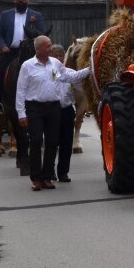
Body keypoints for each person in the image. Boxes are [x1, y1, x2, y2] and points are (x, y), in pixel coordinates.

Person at [16, 35, 89, 191]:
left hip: (54, 108)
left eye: (50, 46)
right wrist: (21, 113)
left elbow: (69, 76)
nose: (50, 48)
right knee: (35, 141)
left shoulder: (55, 64)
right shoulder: (27, 66)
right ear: (38, 49)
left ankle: (47, 177)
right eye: (47, 46)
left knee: (52, 142)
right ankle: (36, 178)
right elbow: (21, 90)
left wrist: (90, 69)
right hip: (34, 108)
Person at [0, 0, 45, 114]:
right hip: (10, 52)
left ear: (28, 0)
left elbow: (41, 34)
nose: (21, 0)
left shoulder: (36, 16)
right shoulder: (6, 14)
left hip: (30, 53)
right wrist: (3, 46)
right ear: (14, 0)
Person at [50, 44, 91, 182]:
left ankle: (63, 172)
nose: (58, 58)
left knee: (66, 143)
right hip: (52, 110)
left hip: (67, 109)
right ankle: (50, 171)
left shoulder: (69, 71)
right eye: (55, 56)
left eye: (60, 56)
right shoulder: (46, 70)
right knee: (52, 142)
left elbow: (80, 87)